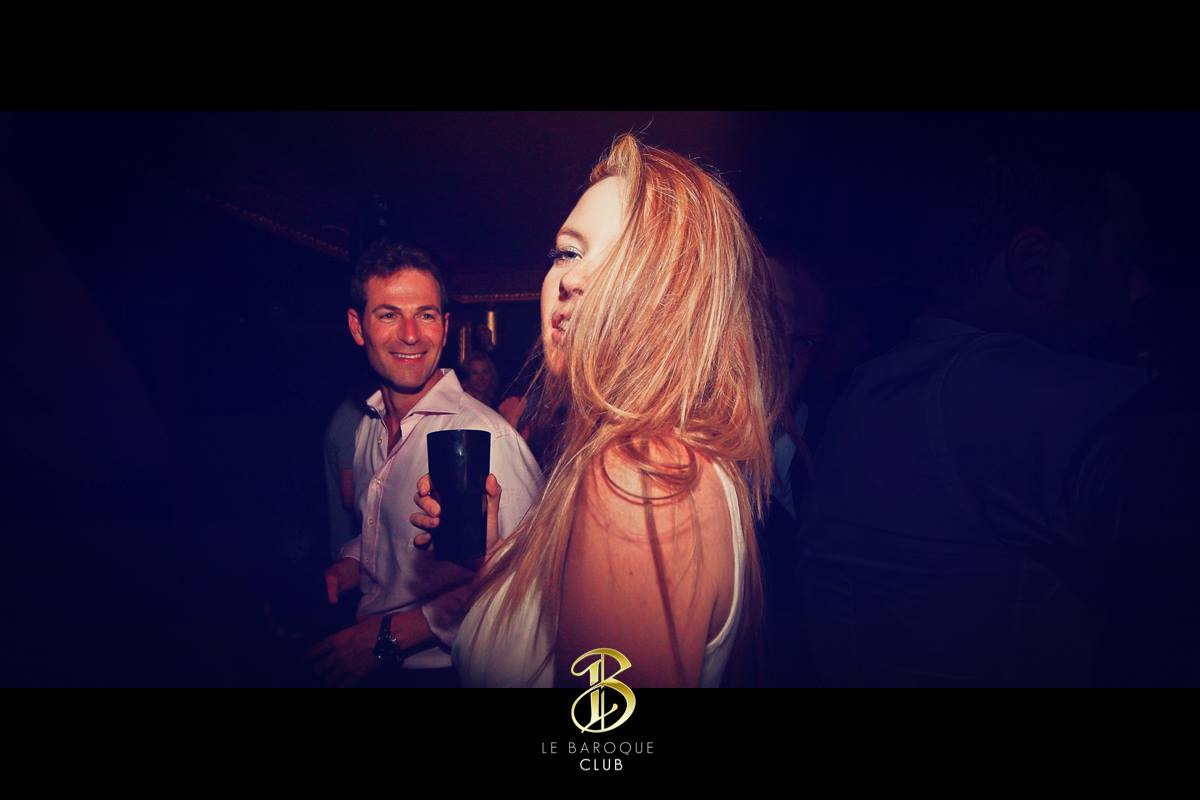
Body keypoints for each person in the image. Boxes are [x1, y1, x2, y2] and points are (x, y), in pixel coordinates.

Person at [413, 135, 787, 687]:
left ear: (683, 299)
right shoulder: (646, 456)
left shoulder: (643, 474)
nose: (571, 278)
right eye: (568, 252)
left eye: (624, 256)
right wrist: (495, 563)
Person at [799, 147, 1148, 686]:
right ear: (1035, 264)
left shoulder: (869, 390)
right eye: (1122, 258)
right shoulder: (1049, 398)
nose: (1138, 288)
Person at [309, 240, 543, 687]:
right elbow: (381, 527)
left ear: (445, 326)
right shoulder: (369, 426)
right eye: (389, 315)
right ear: (357, 326)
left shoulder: (485, 438)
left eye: (427, 315)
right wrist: (352, 564)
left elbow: (528, 580)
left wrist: (395, 633)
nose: (411, 334)